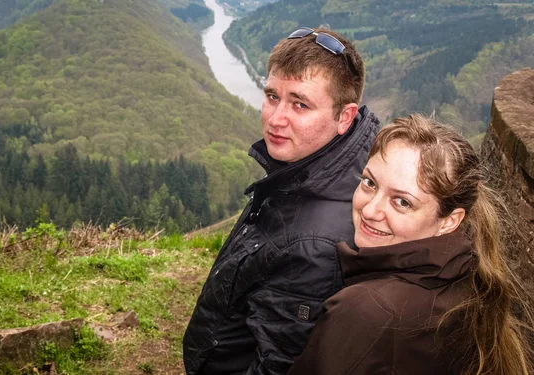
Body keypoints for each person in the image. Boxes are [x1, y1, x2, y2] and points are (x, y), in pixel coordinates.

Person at [183, 27, 380, 374]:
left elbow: (280, 364)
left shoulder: (317, 245)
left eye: (300, 104)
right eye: (272, 96)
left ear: (344, 118)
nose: (275, 119)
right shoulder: (309, 169)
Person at [288, 114, 534, 375]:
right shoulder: (470, 273)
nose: (371, 210)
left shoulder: (365, 311)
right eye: (369, 183)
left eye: (402, 202)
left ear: (449, 221)